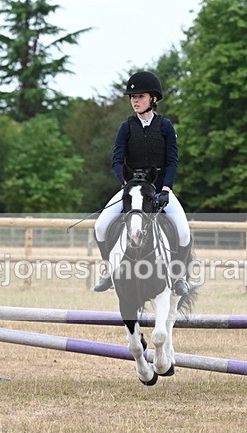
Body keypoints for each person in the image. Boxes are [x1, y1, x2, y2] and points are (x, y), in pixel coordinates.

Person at [93, 71, 192, 295]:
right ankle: (109, 270)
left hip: (158, 189)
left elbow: (173, 161)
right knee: (100, 226)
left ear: (153, 99)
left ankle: (178, 278)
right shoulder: (126, 127)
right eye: (132, 97)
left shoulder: (165, 127)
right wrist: (125, 182)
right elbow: (117, 160)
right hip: (131, 189)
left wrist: (166, 188)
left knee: (184, 232)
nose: (135, 101)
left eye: (140, 96)